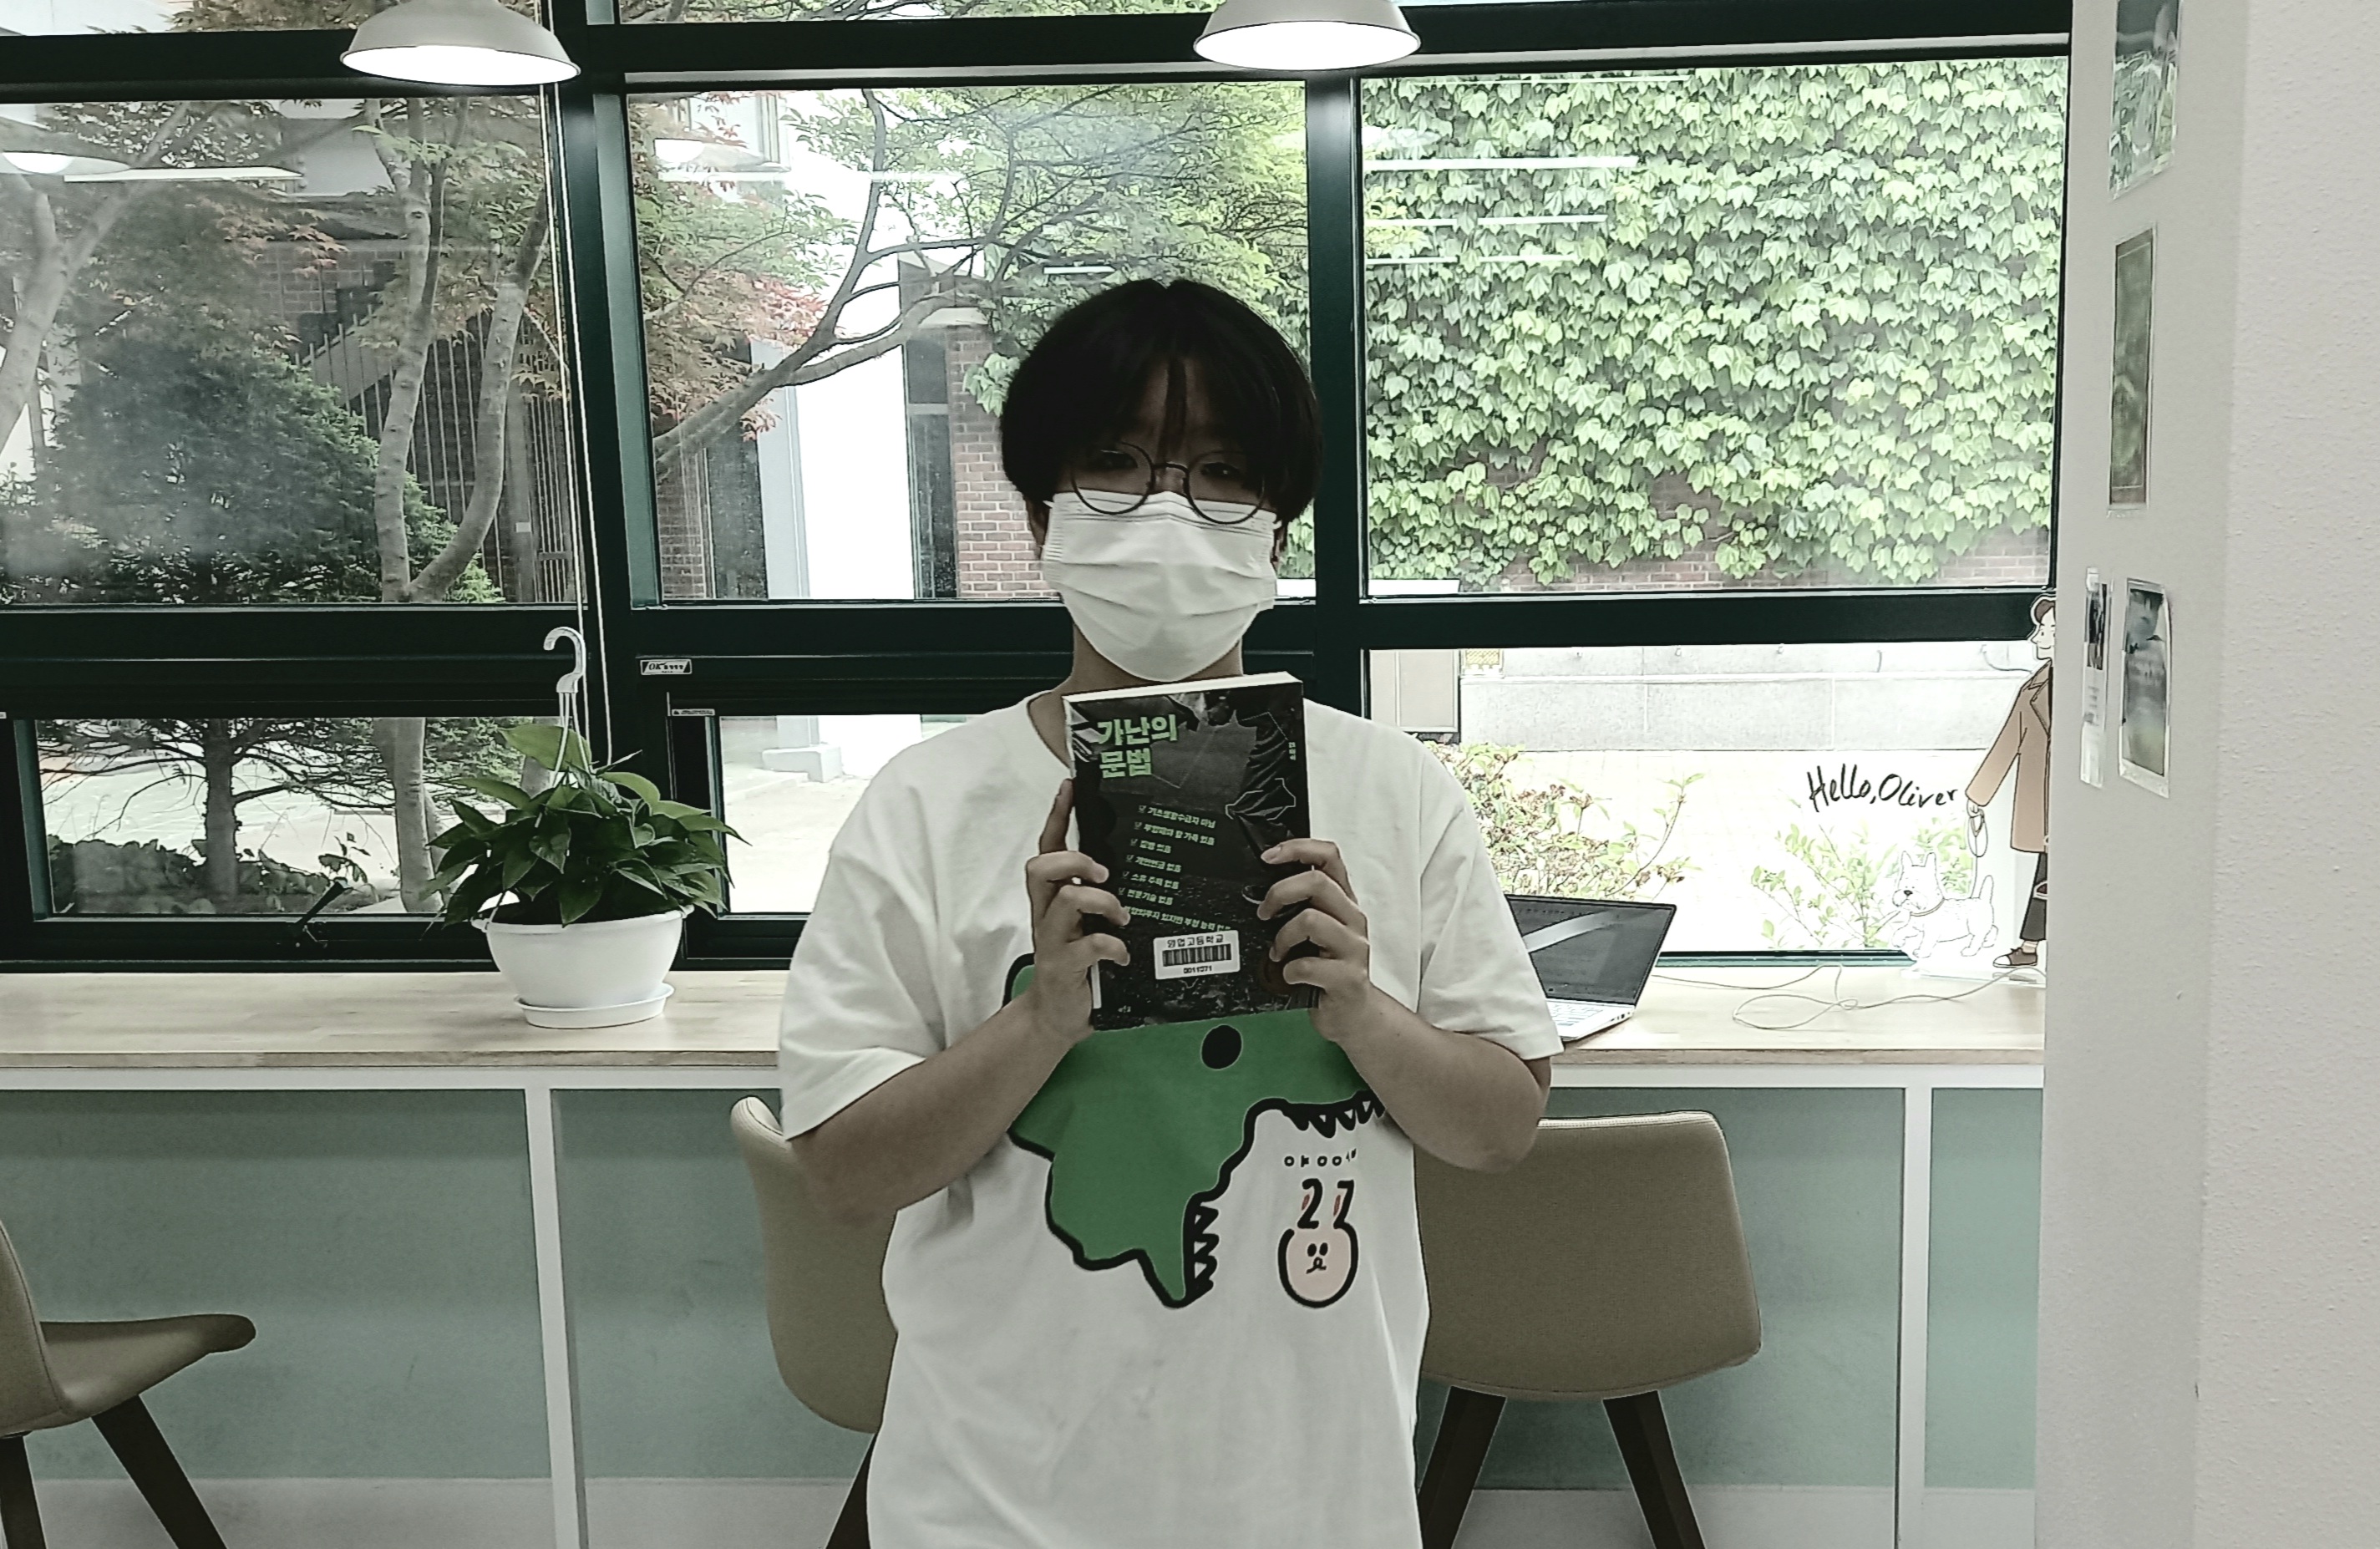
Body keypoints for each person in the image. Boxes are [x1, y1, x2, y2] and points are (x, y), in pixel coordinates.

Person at [778, 278, 1558, 1549]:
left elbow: (1501, 1126)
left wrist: (1362, 1013)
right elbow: (842, 1173)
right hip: (995, 1503)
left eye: (1222, 474)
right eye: (1116, 464)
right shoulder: (924, 806)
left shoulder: (1394, 790)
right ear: (1040, 513)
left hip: (1312, 1500)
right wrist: (1039, 1021)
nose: (1166, 512)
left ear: (1275, 530)